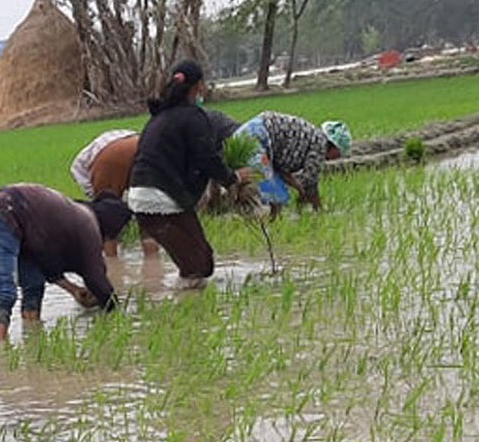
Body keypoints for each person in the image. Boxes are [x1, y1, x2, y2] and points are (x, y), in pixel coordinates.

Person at [127, 60, 252, 288]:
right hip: (162, 199)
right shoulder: (193, 117)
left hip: (141, 197)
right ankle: (185, 312)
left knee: (198, 261)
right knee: (199, 266)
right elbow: (206, 159)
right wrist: (234, 178)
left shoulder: (160, 117)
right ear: (199, 86)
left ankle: (182, 303)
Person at [0, 183, 128, 341]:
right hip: (0, 216)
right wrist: (113, 308)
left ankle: (32, 336)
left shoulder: (76, 215)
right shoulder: (89, 225)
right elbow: (96, 278)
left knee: (34, 284)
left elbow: (46, 260)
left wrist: (72, 289)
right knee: (4, 293)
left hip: (16, 222)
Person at [71, 111, 239, 255]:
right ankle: (153, 262)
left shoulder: (95, 165)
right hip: (144, 150)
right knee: (149, 215)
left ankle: (113, 268)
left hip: (119, 157)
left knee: (109, 223)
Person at [230, 112, 351, 211]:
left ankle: (234, 211)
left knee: (244, 183)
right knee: (277, 197)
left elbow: (281, 171)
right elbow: (310, 184)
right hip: (256, 140)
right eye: (339, 153)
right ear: (335, 146)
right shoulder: (320, 145)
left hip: (241, 137)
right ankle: (265, 226)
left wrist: (299, 189)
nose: (338, 158)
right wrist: (318, 209)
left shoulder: (310, 137)